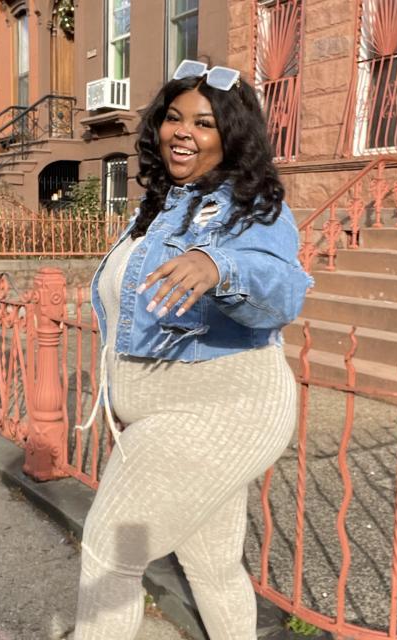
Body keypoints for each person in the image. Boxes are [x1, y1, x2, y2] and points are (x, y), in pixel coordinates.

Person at [73, 60, 313, 640]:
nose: (183, 131)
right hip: (162, 415)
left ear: (231, 137)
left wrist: (220, 265)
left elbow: (284, 288)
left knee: (109, 556)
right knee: (210, 566)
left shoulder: (250, 206)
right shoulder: (158, 208)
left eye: (205, 124)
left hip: (221, 409)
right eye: (174, 118)